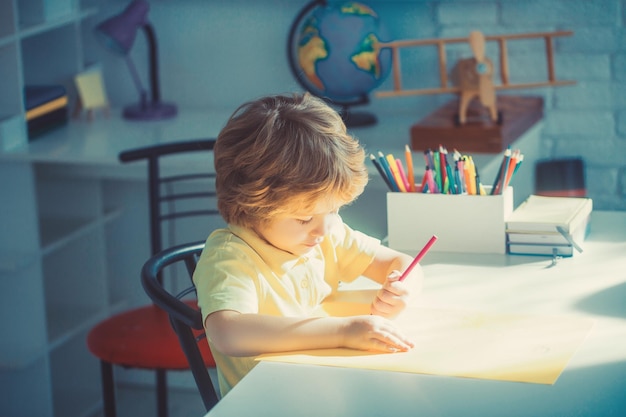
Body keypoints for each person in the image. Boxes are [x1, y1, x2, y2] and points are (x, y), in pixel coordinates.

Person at [193, 92, 423, 397]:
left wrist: (403, 288)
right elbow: (228, 333)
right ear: (252, 206)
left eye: (333, 210)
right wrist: (342, 332)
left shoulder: (325, 233)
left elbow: (401, 262)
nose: (323, 230)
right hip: (267, 402)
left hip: (324, 388)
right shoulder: (230, 257)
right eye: (304, 218)